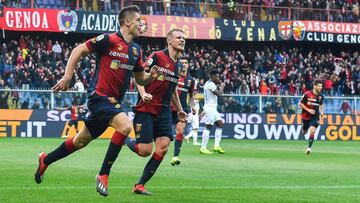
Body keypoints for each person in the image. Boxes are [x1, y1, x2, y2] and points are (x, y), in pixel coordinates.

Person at [34, 6, 159, 198]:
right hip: (98, 97)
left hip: (111, 103)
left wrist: (152, 77)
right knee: (125, 126)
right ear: (127, 22)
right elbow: (79, 49)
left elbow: (140, 79)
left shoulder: (136, 50)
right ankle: (103, 173)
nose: (141, 25)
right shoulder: (109, 40)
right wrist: (68, 76)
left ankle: (46, 160)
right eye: (138, 21)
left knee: (80, 142)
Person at [121, 28, 187, 195]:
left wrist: (179, 110)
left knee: (163, 147)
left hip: (164, 111)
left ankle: (140, 185)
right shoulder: (157, 56)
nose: (182, 40)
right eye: (179, 37)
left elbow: (172, 90)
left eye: (184, 38)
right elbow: (139, 76)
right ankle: (124, 140)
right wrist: (143, 94)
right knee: (144, 151)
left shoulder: (178, 65)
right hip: (147, 108)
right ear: (169, 40)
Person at [169, 58, 196, 166]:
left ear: (188, 65)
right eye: (182, 63)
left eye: (186, 63)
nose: (184, 64)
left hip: (183, 110)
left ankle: (175, 157)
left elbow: (191, 95)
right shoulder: (173, 76)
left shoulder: (190, 80)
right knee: (164, 134)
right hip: (169, 108)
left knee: (180, 132)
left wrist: (193, 106)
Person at [200, 70, 225, 154]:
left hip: (212, 108)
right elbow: (219, 94)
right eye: (217, 76)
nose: (218, 78)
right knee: (208, 126)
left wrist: (218, 83)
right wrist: (222, 86)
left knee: (220, 124)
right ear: (212, 76)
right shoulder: (210, 84)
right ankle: (203, 148)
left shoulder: (209, 83)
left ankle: (216, 146)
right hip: (210, 108)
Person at [299, 80, 324, 155]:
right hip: (306, 116)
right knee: (304, 132)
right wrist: (308, 110)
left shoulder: (321, 96)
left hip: (315, 117)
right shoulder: (307, 94)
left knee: (312, 130)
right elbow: (300, 104)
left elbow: (321, 104)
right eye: (319, 86)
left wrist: (321, 112)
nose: (321, 88)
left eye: (321, 86)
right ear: (315, 86)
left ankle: (309, 148)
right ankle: (303, 127)